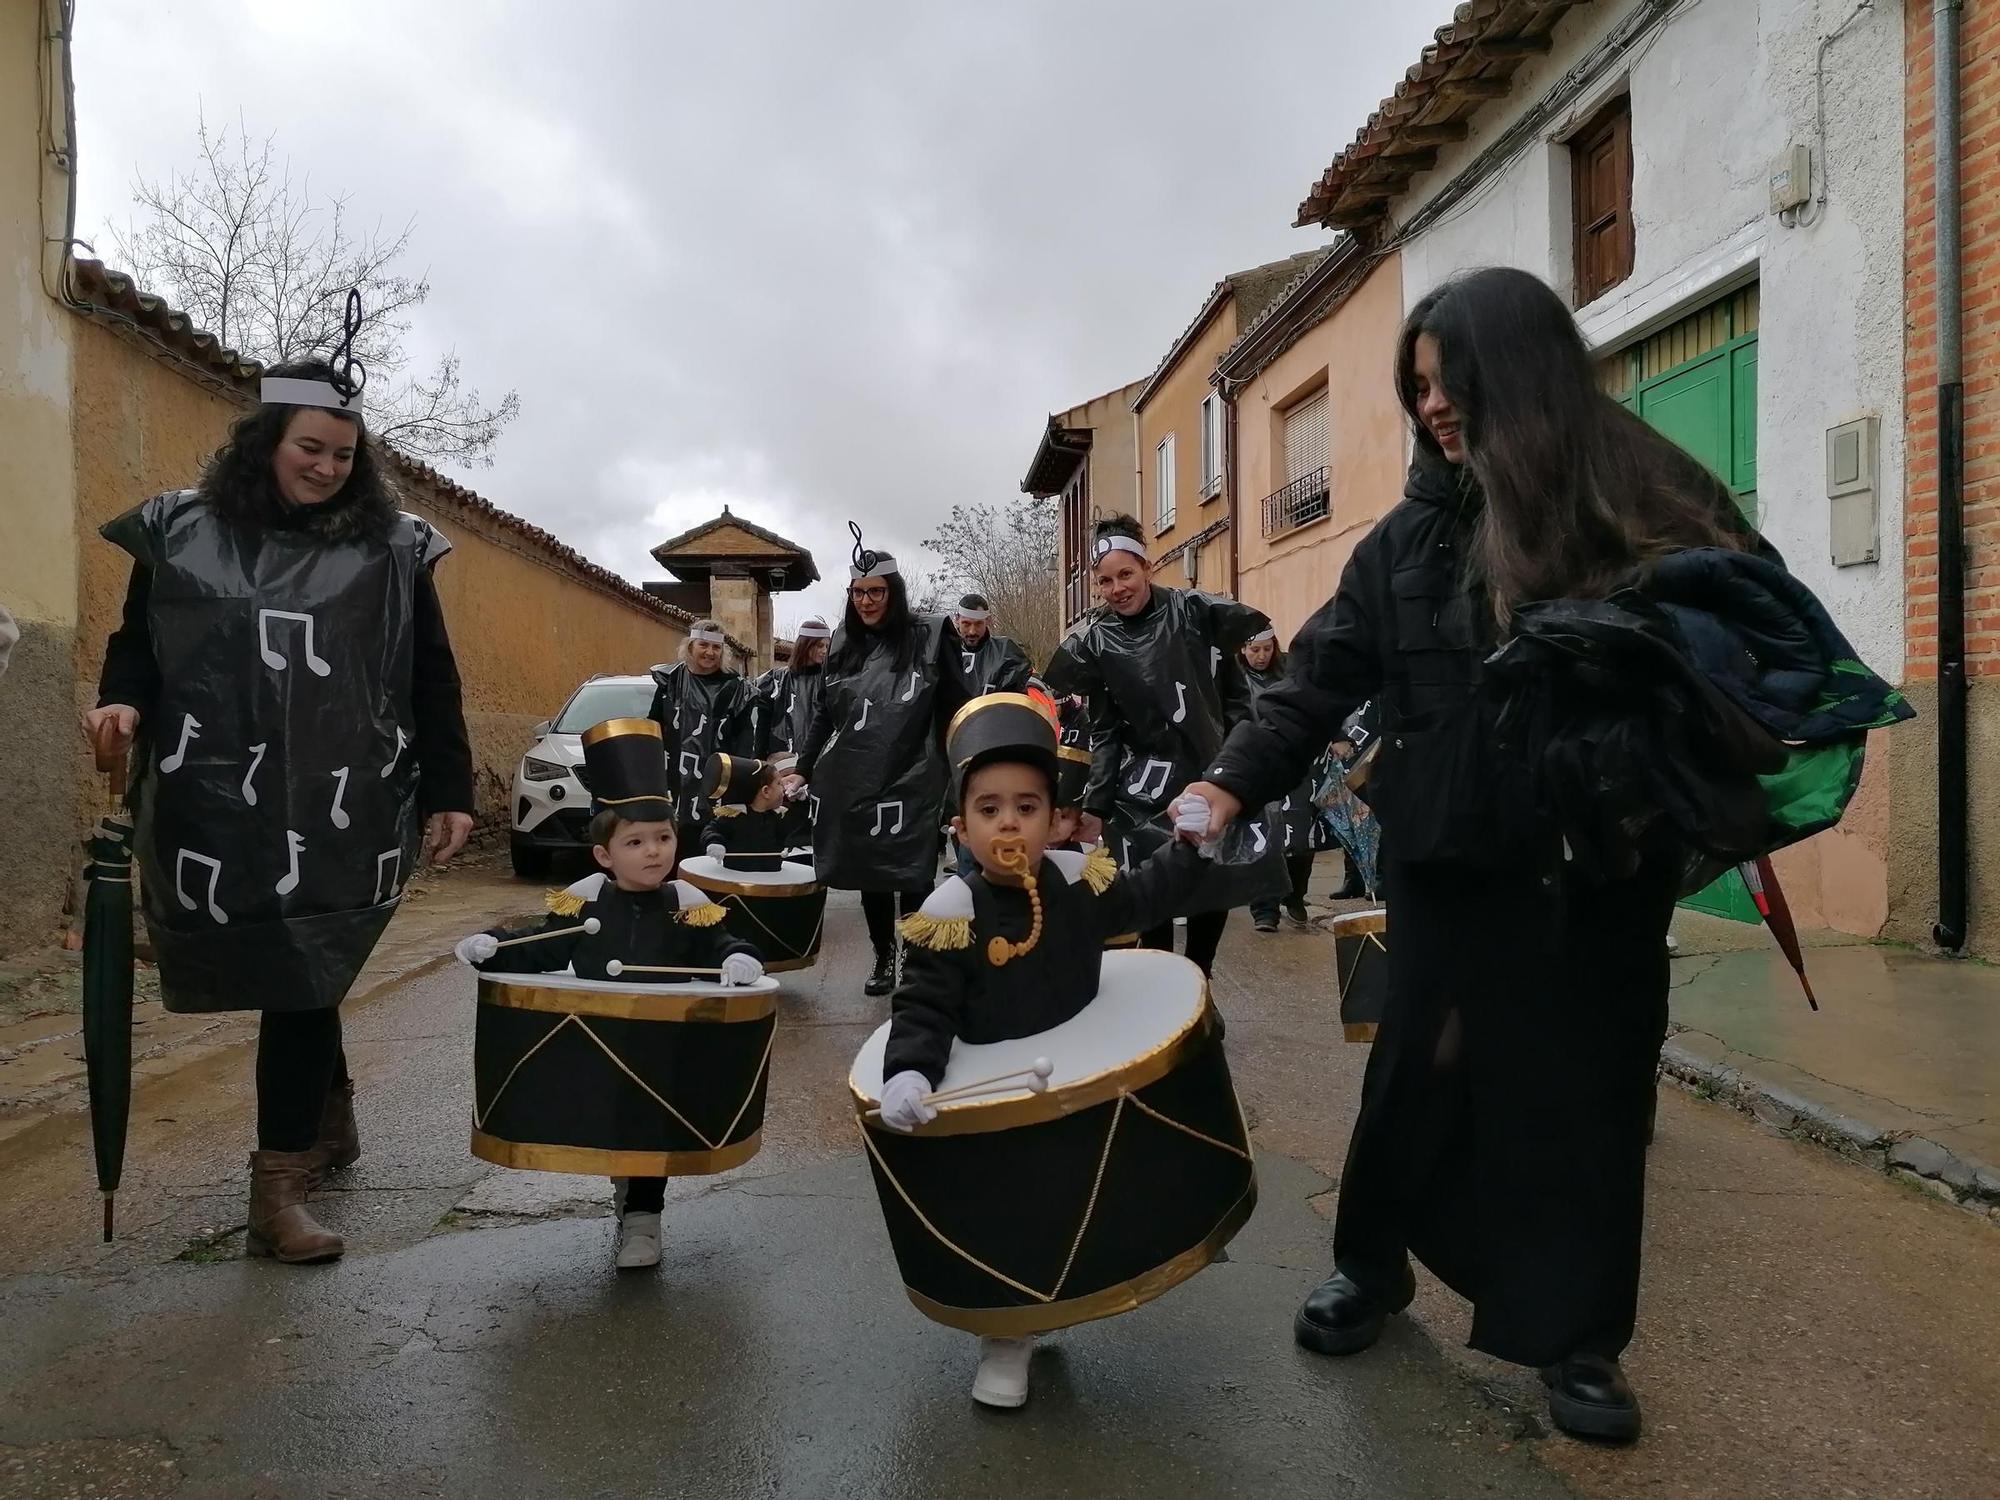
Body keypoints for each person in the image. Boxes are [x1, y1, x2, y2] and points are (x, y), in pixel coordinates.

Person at [1182, 266, 1772, 1444]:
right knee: (1419, 1069)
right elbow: (1311, 684)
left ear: (1523, 368)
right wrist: (1228, 778)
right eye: (1416, 388)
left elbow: (1747, 636)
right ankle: (1373, 1261)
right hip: (1446, 857)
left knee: (1586, 1095)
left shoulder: (1642, 498)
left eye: (1449, 380)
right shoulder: (1399, 540)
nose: (1435, 405)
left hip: (1595, 865)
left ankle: (1578, 1340)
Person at [85, 344, 474, 1266]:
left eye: (344, 454)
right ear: (267, 440)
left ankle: (276, 1186)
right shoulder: (179, 530)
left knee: (310, 953)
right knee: (298, 958)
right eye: (310, 447)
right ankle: (327, 1120)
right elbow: (136, 639)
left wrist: (452, 788)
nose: (327, 467)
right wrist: (121, 699)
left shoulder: (394, 547)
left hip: (346, 797)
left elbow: (431, 674)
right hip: (215, 791)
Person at [878, 693, 1213, 1406]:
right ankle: (1006, 1340)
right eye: (990, 808)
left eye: (1027, 807)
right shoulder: (949, 914)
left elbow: (1146, 900)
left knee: (1072, 1196)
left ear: (1055, 820)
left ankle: (1060, 1302)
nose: (1008, 823)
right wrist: (907, 1070)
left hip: (1074, 1075)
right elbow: (924, 1008)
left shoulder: (1074, 882)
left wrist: (1188, 848)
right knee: (1006, 1215)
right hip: (996, 1095)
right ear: (960, 826)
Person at [454, 719, 763, 1270]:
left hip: (663, 1042)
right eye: (636, 842)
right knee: (608, 1121)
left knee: (651, 1125)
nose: (654, 852)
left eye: (664, 838)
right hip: (600, 1038)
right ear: (604, 855)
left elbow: (720, 940)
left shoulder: (685, 899)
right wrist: (494, 946)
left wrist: (737, 957)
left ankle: (644, 1218)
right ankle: (626, 1190)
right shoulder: (588, 899)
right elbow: (544, 946)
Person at [1052, 515, 1280, 977]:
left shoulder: (1195, 614)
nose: (1118, 588)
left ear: (1147, 567)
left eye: (1125, 574)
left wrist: (1239, 760)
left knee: (1211, 881)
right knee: (1151, 888)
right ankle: (1163, 988)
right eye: (1105, 581)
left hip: (1206, 771)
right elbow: (1106, 729)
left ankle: (1200, 981)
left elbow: (1236, 698)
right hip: (1143, 789)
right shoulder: (1096, 643)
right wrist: (1095, 802)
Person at [792, 524, 969, 997]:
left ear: (893, 592)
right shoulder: (842, 645)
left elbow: (956, 707)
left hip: (917, 773)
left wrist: (962, 777)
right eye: (858, 592)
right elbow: (825, 717)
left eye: (876, 591)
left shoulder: (930, 636)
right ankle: (882, 954)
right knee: (871, 872)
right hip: (859, 774)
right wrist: (804, 768)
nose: (867, 601)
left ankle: (913, 953)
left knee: (912, 871)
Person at [1240, 627, 1330, 931]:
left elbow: (1314, 706)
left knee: (1300, 834)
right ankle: (1264, 908)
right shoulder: (1233, 680)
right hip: (1254, 764)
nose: (1261, 656)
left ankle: (1295, 895)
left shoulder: (1291, 672)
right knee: (1262, 836)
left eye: (1266, 649)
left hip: (1294, 761)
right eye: (1254, 650)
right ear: (1243, 650)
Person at [647, 618, 748, 865]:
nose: (710, 653)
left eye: (716, 648)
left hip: (717, 778)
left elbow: (745, 735)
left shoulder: (734, 687)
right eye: (704, 645)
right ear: (691, 647)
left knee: (712, 846)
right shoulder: (670, 681)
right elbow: (654, 725)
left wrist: (742, 779)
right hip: (675, 780)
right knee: (676, 848)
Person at [952, 592, 1031, 696]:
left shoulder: (1005, 651)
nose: (972, 631)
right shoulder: (944, 651)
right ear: (957, 620)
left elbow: (1024, 688)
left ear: (988, 620)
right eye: (966, 624)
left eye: (978, 624)